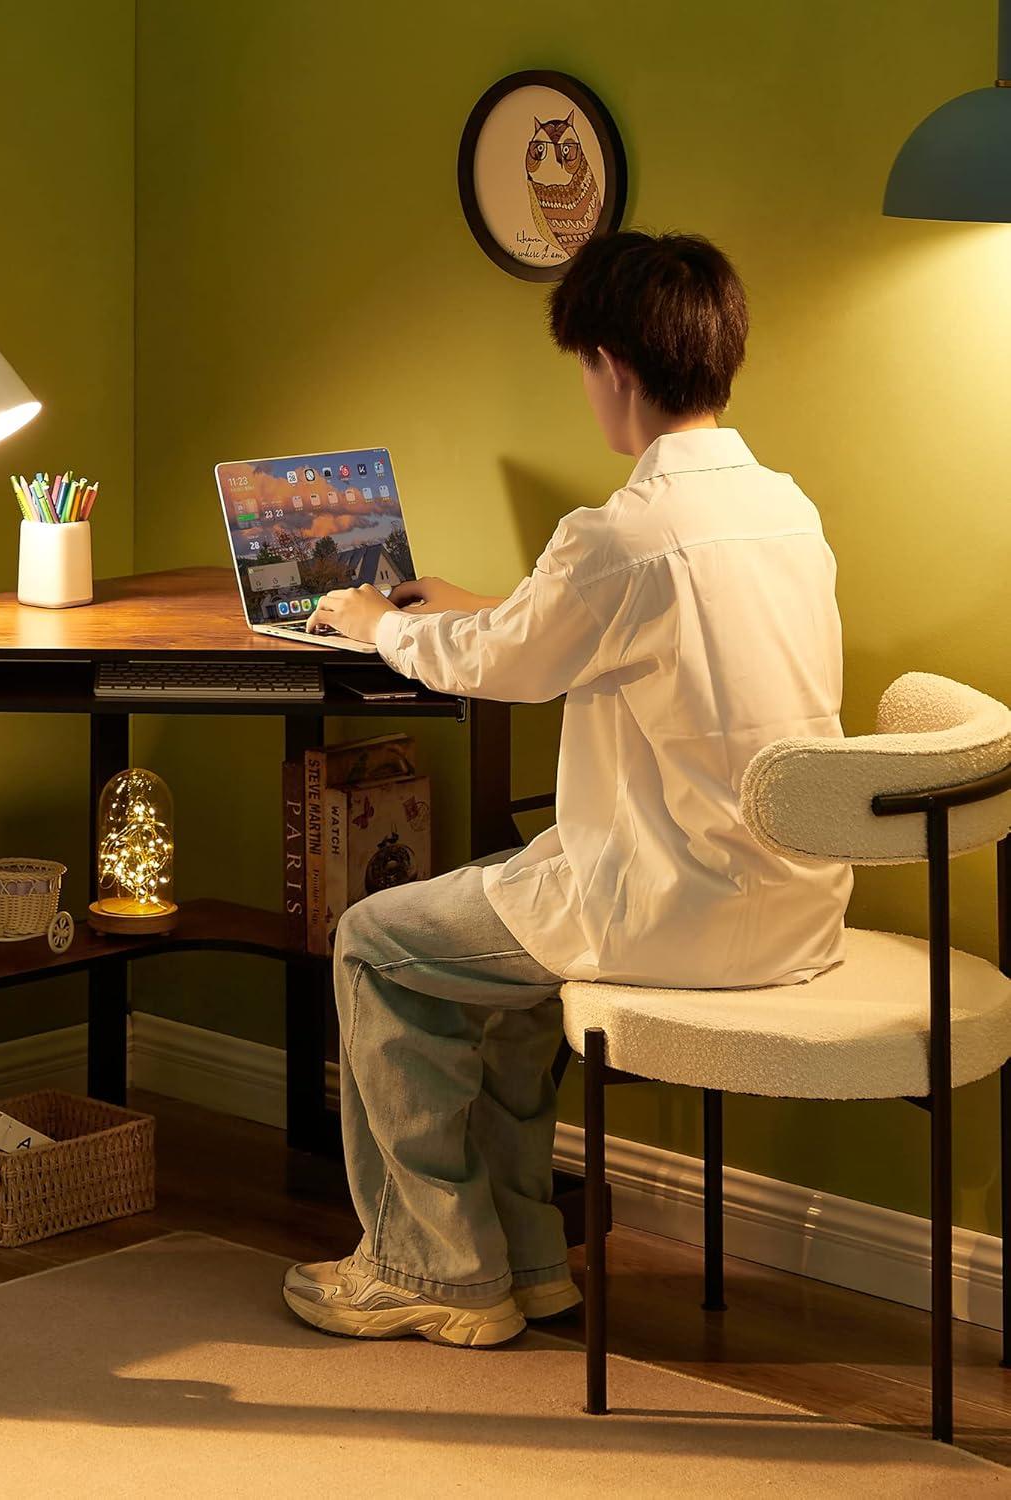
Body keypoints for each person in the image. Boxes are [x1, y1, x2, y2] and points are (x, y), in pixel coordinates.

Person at [284, 231, 852, 1349]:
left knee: (374, 942)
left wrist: (381, 621)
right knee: (500, 910)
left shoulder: (617, 536)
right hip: (789, 901)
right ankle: (527, 1263)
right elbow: (601, 632)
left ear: (611, 368)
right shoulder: (787, 508)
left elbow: (503, 665)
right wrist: (481, 607)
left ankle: (430, 1267)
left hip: (669, 908)